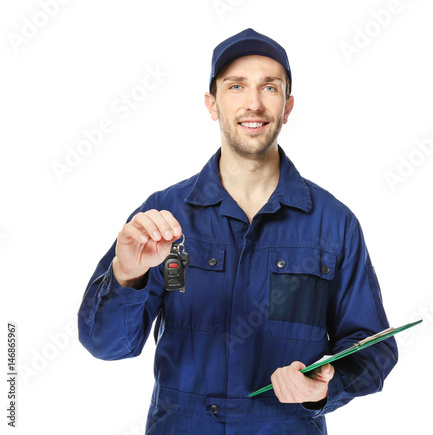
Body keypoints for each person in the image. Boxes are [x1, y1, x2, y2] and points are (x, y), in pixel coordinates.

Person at [78, 28, 398, 434]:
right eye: (236, 86)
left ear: (287, 106)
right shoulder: (162, 217)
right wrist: (126, 276)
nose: (253, 103)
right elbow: (107, 346)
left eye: (270, 87)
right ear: (212, 104)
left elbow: (374, 347)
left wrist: (320, 389)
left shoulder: (334, 223)